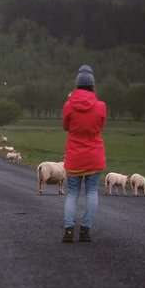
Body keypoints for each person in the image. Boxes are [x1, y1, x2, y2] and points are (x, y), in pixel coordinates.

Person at [61, 65, 107, 243]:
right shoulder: (101, 106)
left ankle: (69, 230)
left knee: (72, 193)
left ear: (77, 85)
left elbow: (66, 126)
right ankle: (86, 230)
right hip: (94, 155)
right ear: (92, 85)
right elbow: (100, 127)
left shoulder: (68, 105)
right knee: (92, 192)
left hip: (74, 156)